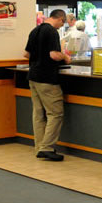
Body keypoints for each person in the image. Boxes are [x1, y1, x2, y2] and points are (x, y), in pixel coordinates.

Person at [23, 9, 71, 161]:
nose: (60, 27)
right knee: (55, 113)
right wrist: (65, 57)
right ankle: (47, 147)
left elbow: (26, 54)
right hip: (47, 78)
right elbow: (54, 55)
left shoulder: (35, 30)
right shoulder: (51, 32)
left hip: (33, 76)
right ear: (61, 19)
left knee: (38, 114)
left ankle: (39, 147)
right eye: (61, 23)